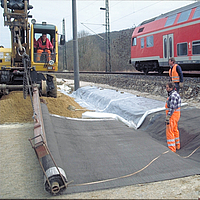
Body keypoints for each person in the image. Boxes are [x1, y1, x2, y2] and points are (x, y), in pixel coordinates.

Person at [165, 82, 181, 152]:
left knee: (170, 131)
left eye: (167, 87)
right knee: (175, 130)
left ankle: (172, 149)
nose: (166, 89)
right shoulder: (175, 94)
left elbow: (172, 108)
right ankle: (177, 145)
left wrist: (168, 117)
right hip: (175, 115)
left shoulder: (173, 96)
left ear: (171, 88)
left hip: (172, 116)